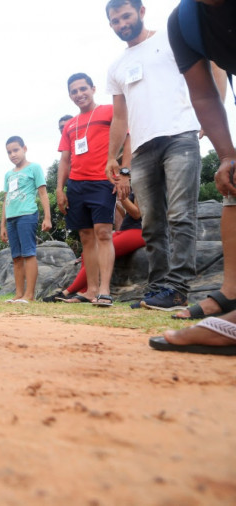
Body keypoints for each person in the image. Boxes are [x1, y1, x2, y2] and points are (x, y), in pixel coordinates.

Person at [148, 0, 236, 355]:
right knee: (234, 189)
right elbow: (202, 92)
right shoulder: (184, 23)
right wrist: (228, 154)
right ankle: (231, 296)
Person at [104, 0, 203, 311]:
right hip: (143, 148)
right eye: (115, 20)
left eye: (126, 16)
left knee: (180, 214)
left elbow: (209, 67)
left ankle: (178, 288)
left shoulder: (170, 38)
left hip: (180, 135)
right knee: (151, 222)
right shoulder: (116, 67)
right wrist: (113, 158)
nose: (121, 24)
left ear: (141, 12)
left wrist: (209, 119)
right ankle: (158, 288)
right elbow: (120, 117)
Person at [55, 73, 132, 306]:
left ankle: (105, 291)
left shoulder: (110, 111)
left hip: (103, 181)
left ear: (93, 88)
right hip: (76, 185)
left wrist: (125, 174)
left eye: (83, 89)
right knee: (86, 237)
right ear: (70, 95)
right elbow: (65, 160)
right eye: (74, 91)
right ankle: (91, 290)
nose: (79, 94)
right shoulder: (70, 124)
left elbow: (128, 140)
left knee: (103, 233)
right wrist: (60, 189)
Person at [44, 193, 145, 302]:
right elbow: (128, 215)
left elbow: (137, 214)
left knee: (98, 253)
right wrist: (116, 203)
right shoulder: (131, 186)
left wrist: (122, 197)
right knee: (88, 252)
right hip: (126, 229)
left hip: (139, 231)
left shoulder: (141, 184)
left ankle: (67, 292)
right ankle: (84, 291)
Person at [0, 136, 52, 303]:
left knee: (28, 253)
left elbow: (43, 193)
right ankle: (19, 294)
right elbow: (5, 200)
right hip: (11, 218)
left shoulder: (34, 168)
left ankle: (29, 295)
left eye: (16, 150)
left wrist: (47, 217)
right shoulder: (8, 174)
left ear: (24, 148)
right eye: (9, 152)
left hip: (27, 214)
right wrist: (2, 225)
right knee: (16, 257)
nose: (13, 154)